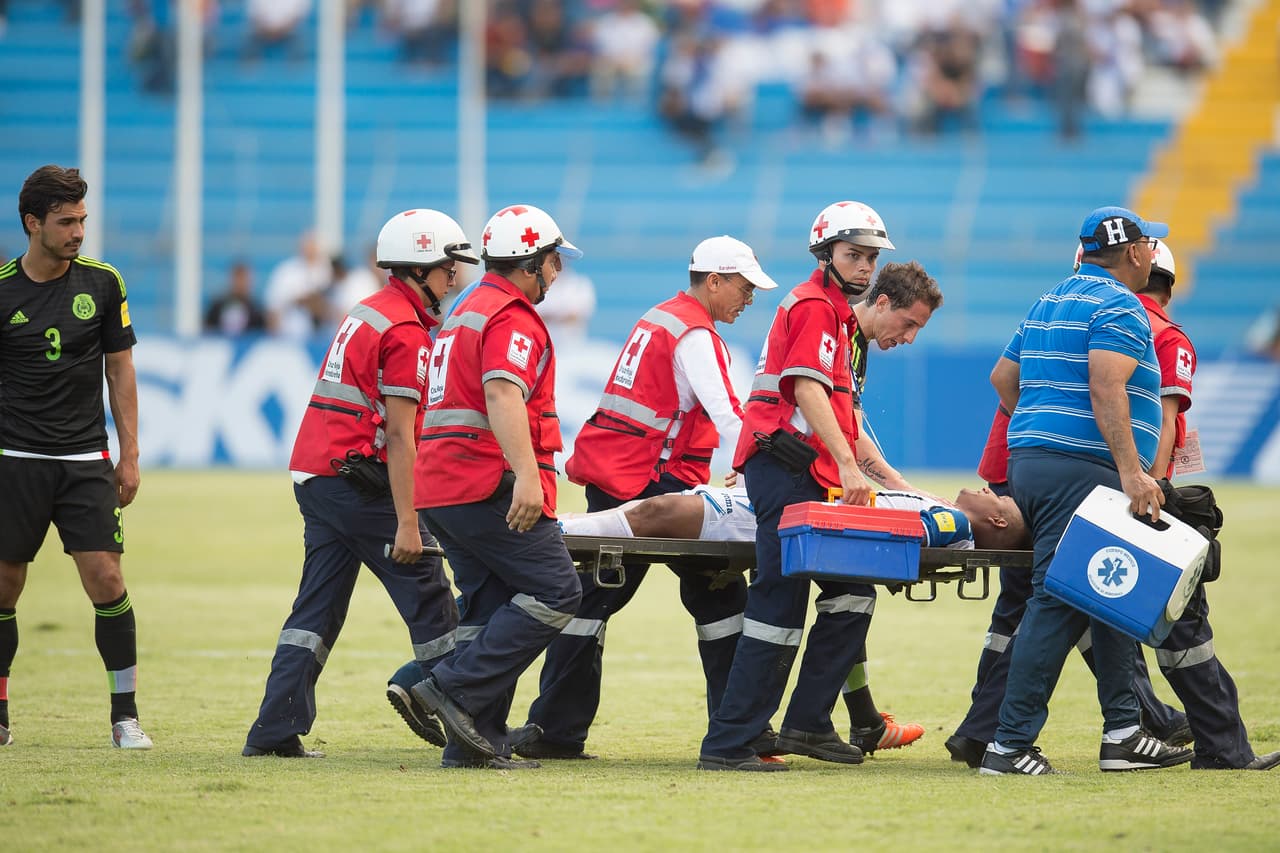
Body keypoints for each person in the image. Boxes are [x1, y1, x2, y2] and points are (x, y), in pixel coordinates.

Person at [517, 235, 778, 761]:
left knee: (591, 603)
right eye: (744, 287)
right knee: (721, 599)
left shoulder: (661, 318)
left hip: (617, 476)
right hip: (654, 484)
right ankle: (740, 731)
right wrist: (758, 479)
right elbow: (730, 417)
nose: (750, 298)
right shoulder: (696, 336)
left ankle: (555, 731)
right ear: (714, 281)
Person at [242, 208, 475, 759]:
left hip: (318, 473)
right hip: (351, 479)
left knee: (317, 607)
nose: (455, 278)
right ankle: (467, 724)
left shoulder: (372, 309)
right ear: (419, 269)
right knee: (429, 591)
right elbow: (399, 434)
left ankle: (274, 730)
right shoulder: (404, 331)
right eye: (447, 268)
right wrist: (408, 522)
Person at [978, 205, 1193, 775]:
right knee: (1058, 597)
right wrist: (1131, 470)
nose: (1153, 253)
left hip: (1034, 462)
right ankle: (1009, 744)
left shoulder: (1050, 299)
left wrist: (1040, 427)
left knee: (1110, 588)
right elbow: (1106, 384)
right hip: (1086, 470)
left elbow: (1004, 378)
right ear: (1132, 252)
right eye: (1150, 245)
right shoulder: (1120, 304)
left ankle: (1123, 732)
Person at [699, 201, 913, 771]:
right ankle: (729, 745)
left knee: (849, 593)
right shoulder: (818, 307)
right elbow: (809, 392)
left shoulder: (833, 313)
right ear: (827, 254)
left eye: (871, 257)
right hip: (787, 471)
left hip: (797, 473)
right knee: (778, 603)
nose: (865, 267)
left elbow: (838, 411)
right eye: (854, 255)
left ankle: (807, 723)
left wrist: (885, 478)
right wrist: (848, 468)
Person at [409, 204, 584, 770]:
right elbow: (503, 394)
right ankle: (451, 688)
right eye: (554, 261)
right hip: (482, 480)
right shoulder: (510, 316)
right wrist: (529, 477)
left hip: (441, 486)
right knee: (559, 591)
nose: (558, 273)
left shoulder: (465, 310)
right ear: (530, 263)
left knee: (490, 601)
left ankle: (472, 744)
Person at [0, 165, 149, 749]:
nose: (78, 231)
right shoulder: (3, 290)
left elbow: (121, 368)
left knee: (107, 578)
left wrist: (130, 453)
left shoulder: (104, 283)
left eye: (82, 220)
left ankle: (125, 716)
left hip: (86, 459)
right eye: (66, 221)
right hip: (14, 459)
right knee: (6, 587)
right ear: (33, 223)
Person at [1131, 240, 1278, 771]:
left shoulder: (1095, 322)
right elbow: (1167, 420)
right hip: (1142, 488)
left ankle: (991, 734)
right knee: (1184, 620)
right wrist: (1152, 486)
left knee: (1080, 614)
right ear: (1168, 286)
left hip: (1082, 481)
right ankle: (1223, 747)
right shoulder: (1167, 335)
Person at [559, 483, 1028, 553]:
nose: (990, 491)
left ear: (999, 524)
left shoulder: (957, 524)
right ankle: (559, 527)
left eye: (1000, 502)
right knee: (656, 509)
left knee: (658, 511)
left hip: (802, 519)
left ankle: (556, 530)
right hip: (800, 505)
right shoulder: (940, 503)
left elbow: (904, 531)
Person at [203, 259, 267, 336]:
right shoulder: (218, 305)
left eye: (244, 278)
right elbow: (207, 331)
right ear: (231, 278)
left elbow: (261, 334)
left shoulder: (256, 308)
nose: (241, 282)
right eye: (238, 277)